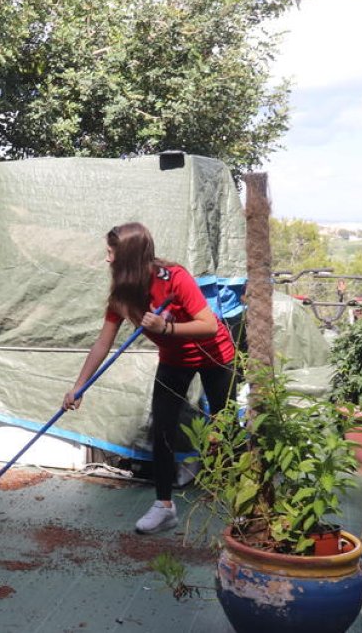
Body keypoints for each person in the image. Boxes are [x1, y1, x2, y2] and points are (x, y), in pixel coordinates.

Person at [64, 222, 237, 535]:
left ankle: (241, 507)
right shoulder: (122, 296)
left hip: (215, 356)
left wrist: (166, 328)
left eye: (111, 253)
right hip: (174, 360)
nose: (107, 260)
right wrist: (79, 386)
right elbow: (103, 342)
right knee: (163, 430)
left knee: (226, 429)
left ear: (128, 257)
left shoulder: (175, 277)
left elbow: (209, 325)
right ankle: (164, 507)